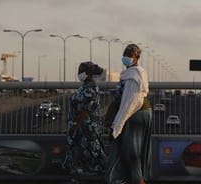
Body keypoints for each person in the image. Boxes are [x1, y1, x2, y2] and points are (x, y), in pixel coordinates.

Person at [106, 43, 152, 184]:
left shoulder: (132, 74)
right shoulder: (138, 73)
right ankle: (138, 178)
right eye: (125, 54)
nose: (125, 57)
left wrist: (118, 124)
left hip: (135, 114)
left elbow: (130, 101)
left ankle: (138, 180)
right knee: (137, 151)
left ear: (136, 58)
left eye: (129, 55)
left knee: (132, 152)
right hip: (143, 112)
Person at [63, 61, 107, 182]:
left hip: (87, 127)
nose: (79, 74)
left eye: (80, 71)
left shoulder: (92, 88)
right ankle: (76, 176)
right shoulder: (83, 87)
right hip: (78, 126)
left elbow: (86, 110)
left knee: (92, 153)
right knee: (76, 153)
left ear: (87, 73)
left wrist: (76, 125)